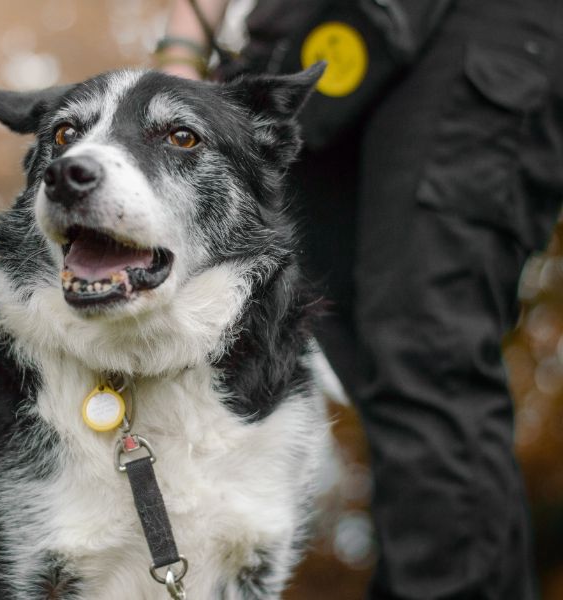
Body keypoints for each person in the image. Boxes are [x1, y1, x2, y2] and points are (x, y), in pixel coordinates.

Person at [155, 0, 563, 598]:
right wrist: (182, 53)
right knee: (384, 375)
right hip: (308, 27)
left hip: (474, 24)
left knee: (424, 352)